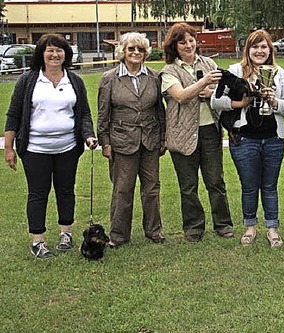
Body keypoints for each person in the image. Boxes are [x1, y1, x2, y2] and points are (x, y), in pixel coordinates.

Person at [4, 33, 97, 259]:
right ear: (41, 54)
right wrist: (9, 148)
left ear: (66, 54)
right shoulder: (28, 80)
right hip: (35, 149)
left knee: (66, 192)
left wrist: (89, 136)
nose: (55, 54)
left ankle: (66, 233)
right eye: (50, 50)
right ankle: (38, 241)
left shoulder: (74, 81)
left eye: (59, 50)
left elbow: (84, 113)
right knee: (38, 194)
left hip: (67, 148)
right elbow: (14, 114)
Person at [160, 23, 244, 242]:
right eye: (182, 42)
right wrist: (203, 84)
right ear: (174, 46)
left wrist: (207, 91)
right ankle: (193, 227)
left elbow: (219, 92)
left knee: (216, 181)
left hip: (210, 131)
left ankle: (223, 224)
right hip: (182, 133)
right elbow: (180, 96)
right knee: (188, 186)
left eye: (191, 40)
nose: (189, 45)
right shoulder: (169, 70)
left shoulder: (209, 63)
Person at [218, 30, 284, 247]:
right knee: (249, 186)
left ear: (270, 50)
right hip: (244, 140)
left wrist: (275, 101)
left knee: (270, 186)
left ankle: (272, 228)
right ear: (247, 50)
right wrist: (239, 104)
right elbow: (216, 100)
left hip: (273, 139)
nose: (259, 51)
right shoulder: (234, 71)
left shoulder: (279, 73)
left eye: (264, 47)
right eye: (255, 46)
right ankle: (250, 227)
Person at [97, 32, 166, 247]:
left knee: (152, 189)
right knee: (122, 189)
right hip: (121, 142)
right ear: (122, 52)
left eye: (141, 49)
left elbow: (159, 111)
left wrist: (163, 138)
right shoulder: (109, 78)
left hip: (150, 140)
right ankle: (118, 235)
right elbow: (103, 114)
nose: (136, 53)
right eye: (131, 49)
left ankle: (154, 230)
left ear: (146, 53)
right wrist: (105, 142)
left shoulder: (154, 77)